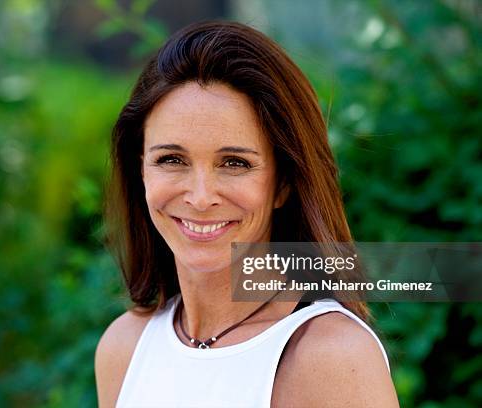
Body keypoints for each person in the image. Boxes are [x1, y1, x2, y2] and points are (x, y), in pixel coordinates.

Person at [95, 21, 399, 407]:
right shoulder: (123, 348)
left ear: (284, 183)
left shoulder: (331, 357)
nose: (201, 197)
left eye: (235, 163)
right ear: (140, 169)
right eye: (171, 159)